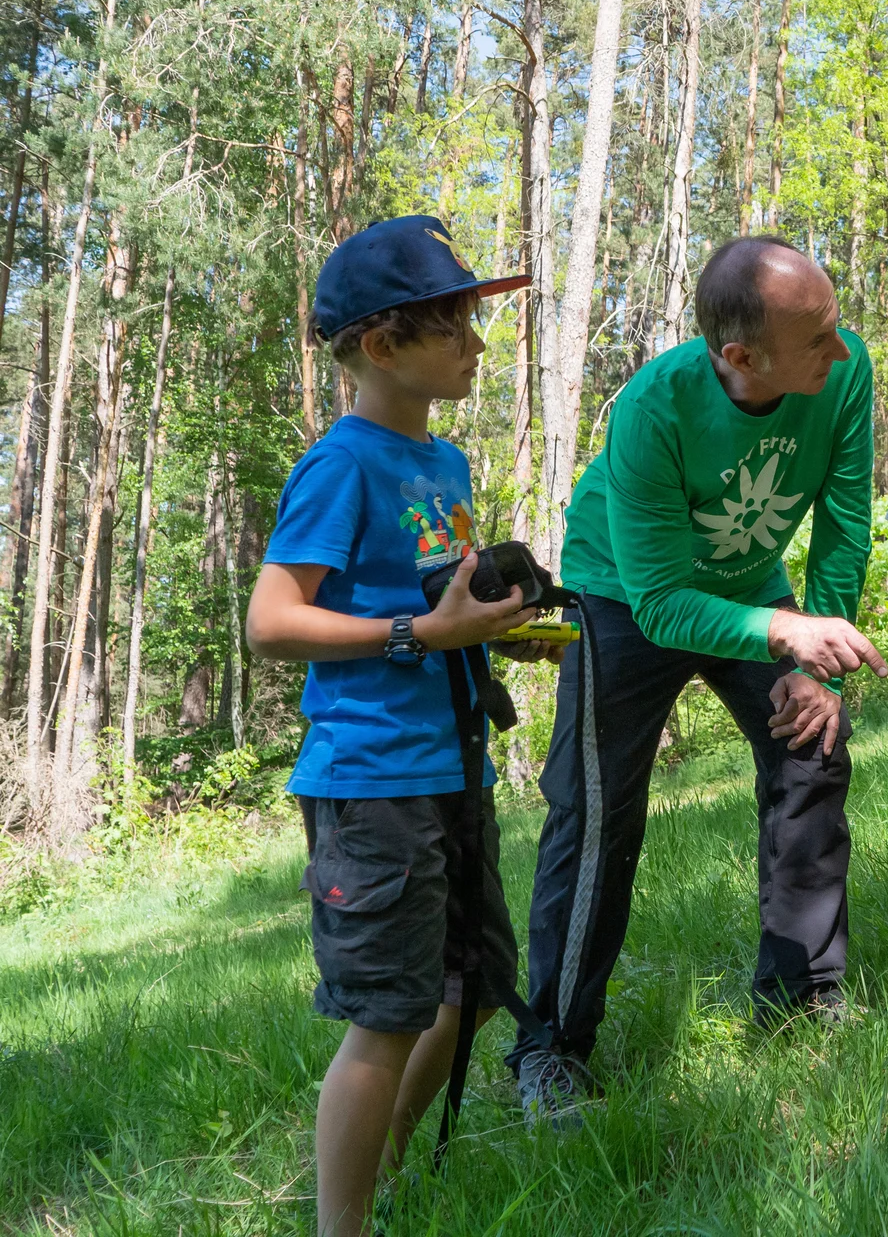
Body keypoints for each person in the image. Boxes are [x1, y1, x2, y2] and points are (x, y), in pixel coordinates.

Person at [509, 235, 885, 1121]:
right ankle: (551, 1050)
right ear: (741, 357)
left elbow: (842, 521)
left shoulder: (848, 368)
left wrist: (814, 662)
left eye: (836, 329)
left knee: (811, 750)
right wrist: (784, 629)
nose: (842, 350)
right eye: (818, 340)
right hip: (627, 596)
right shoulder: (652, 408)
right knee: (598, 811)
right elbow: (664, 606)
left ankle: (801, 1000)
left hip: (751, 591)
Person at [245, 216, 563, 1237]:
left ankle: (380, 1165)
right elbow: (272, 621)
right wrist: (422, 631)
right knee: (387, 1015)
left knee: (475, 987)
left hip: (449, 765)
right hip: (371, 779)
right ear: (382, 344)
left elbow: (437, 611)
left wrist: (489, 635)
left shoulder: (446, 463)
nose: (478, 345)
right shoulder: (343, 465)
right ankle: (346, 1224)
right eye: (456, 327)